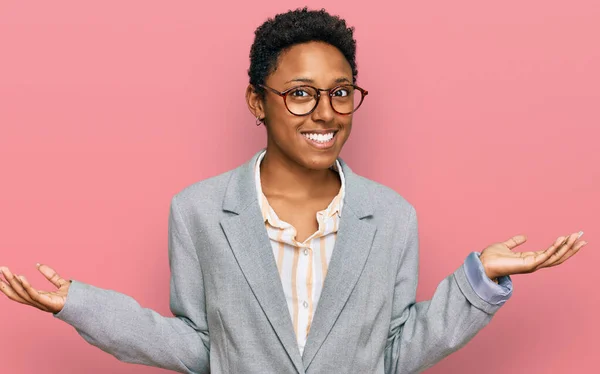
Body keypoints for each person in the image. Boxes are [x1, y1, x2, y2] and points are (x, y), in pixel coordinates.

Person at [0, 7, 587, 374]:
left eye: (341, 92)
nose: (326, 112)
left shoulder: (391, 216)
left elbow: (395, 354)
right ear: (258, 101)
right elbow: (198, 349)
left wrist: (478, 280)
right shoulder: (199, 211)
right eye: (300, 93)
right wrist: (81, 307)